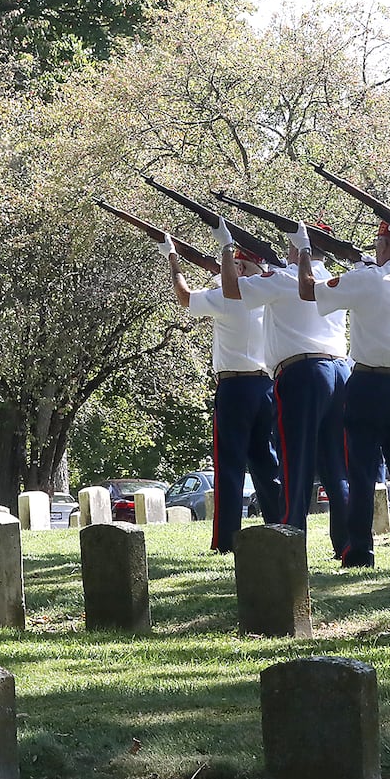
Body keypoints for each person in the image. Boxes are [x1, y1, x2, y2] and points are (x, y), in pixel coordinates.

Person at [297, 218, 390, 566]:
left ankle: (359, 552)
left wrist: (304, 252)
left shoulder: (366, 279)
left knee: (359, 470)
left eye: (378, 243)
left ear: (385, 246)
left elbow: (308, 290)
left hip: (369, 383)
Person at [217, 216, 351, 555]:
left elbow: (233, 290)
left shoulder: (284, 277)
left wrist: (226, 247)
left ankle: (291, 541)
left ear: (297, 246)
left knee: (295, 462)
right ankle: (347, 543)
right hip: (339, 371)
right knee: (337, 466)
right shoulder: (332, 279)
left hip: (303, 373)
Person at [163, 233, 284, 551]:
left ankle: (226, 540)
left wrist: (173, 258)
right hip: (267, 387)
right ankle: (280, 529)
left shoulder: (227, 294)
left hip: (235, 387)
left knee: (228, 467)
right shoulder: (272, 293)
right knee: (266, 464)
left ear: (240, 268)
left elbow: (185, 296)